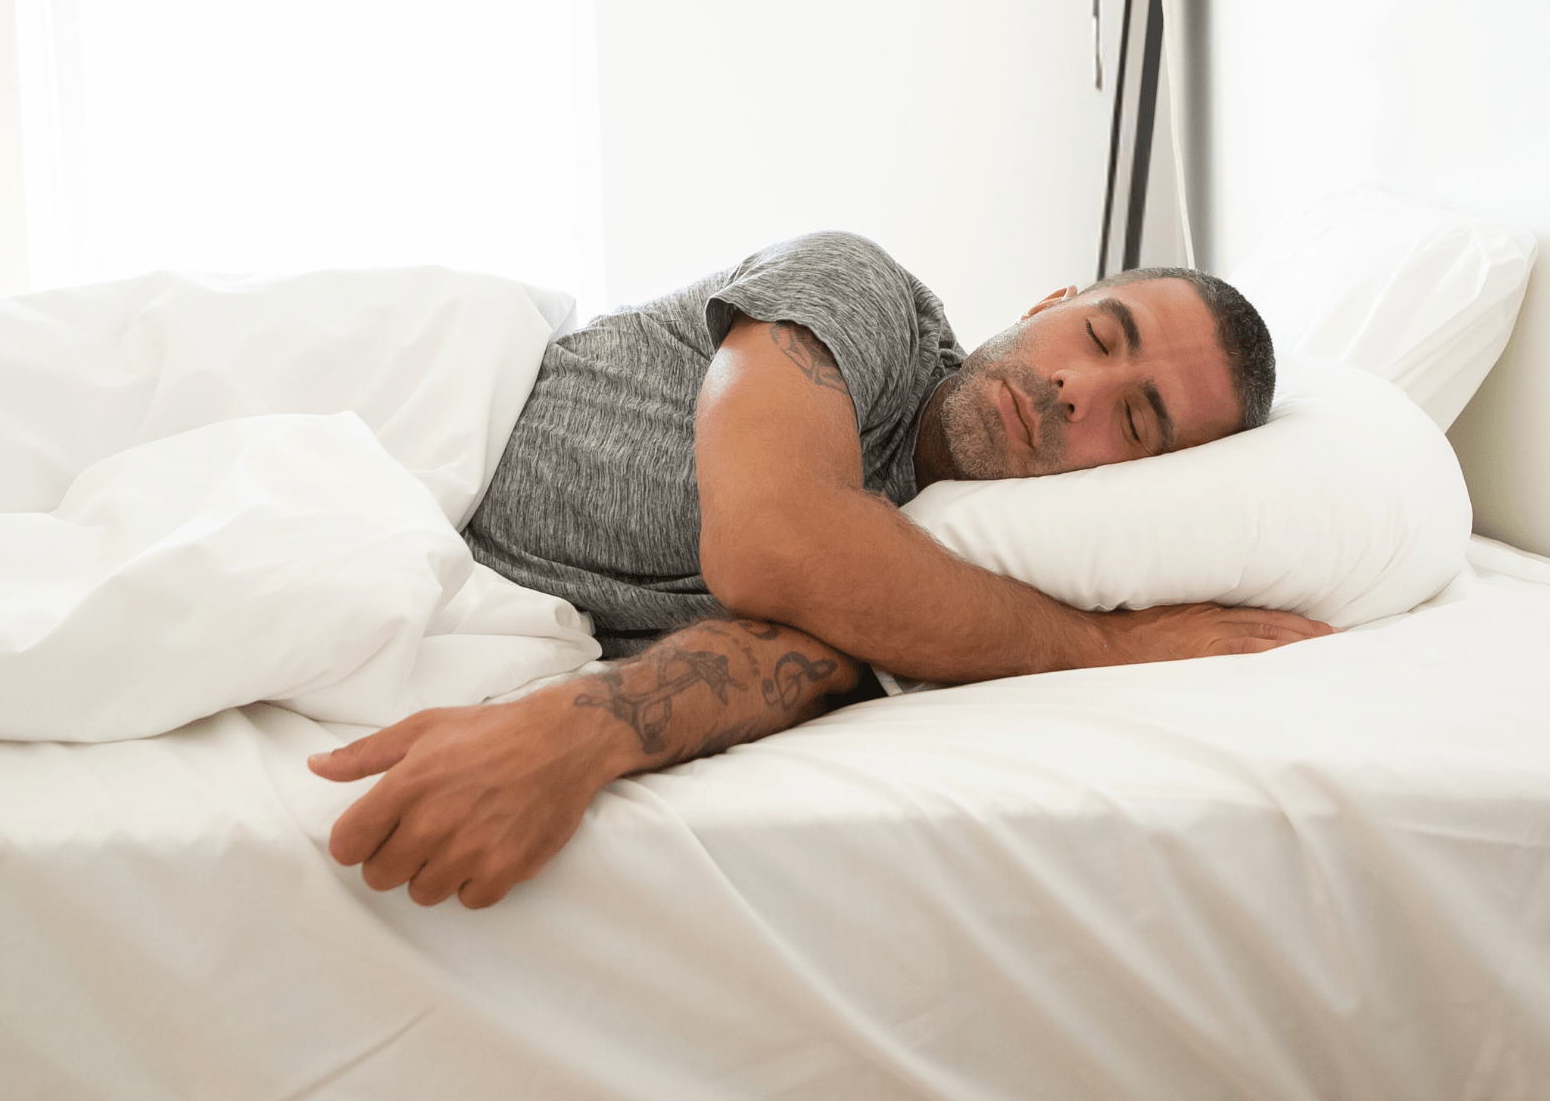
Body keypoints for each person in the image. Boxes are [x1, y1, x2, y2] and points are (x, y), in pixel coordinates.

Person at [307, 232, 1333, 907]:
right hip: (362, 436)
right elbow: (774, 541)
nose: (1077, 388)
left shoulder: (959, 582)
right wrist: (1108, 646)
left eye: (1137, 419)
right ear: (1052, 298)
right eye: (1101, 334)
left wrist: (577, 734)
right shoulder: (864, 296)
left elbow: (802, 648)